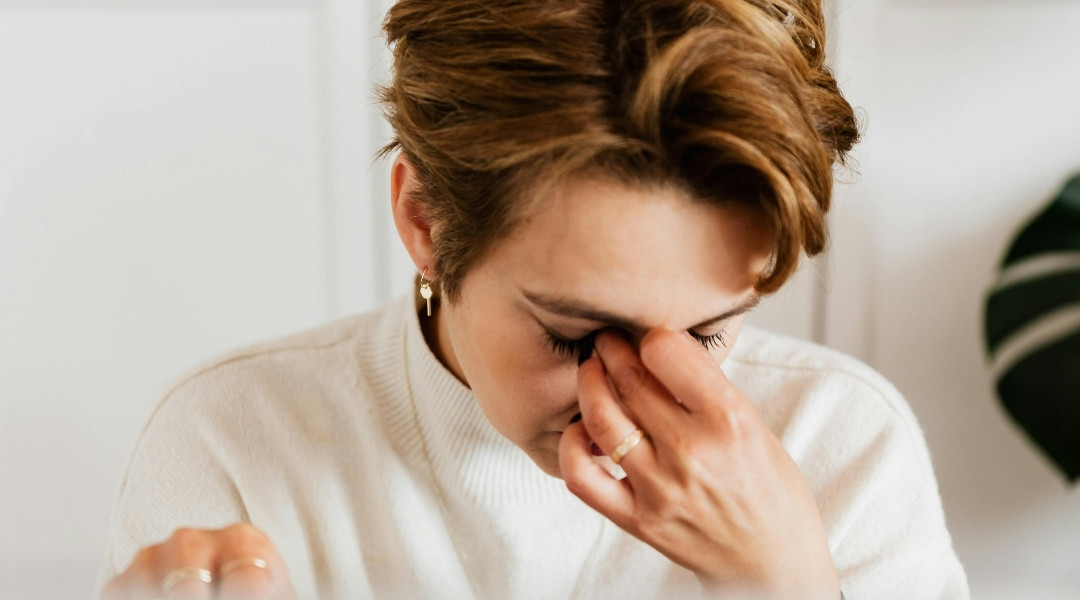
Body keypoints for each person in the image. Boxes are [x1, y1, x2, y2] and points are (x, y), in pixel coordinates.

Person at [98, 1, 969, 598]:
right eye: (576, 336)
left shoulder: (844, 449)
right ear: (424, 223)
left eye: (707, 338)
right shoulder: (232, 443)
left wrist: (785, 584)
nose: (634, 401)